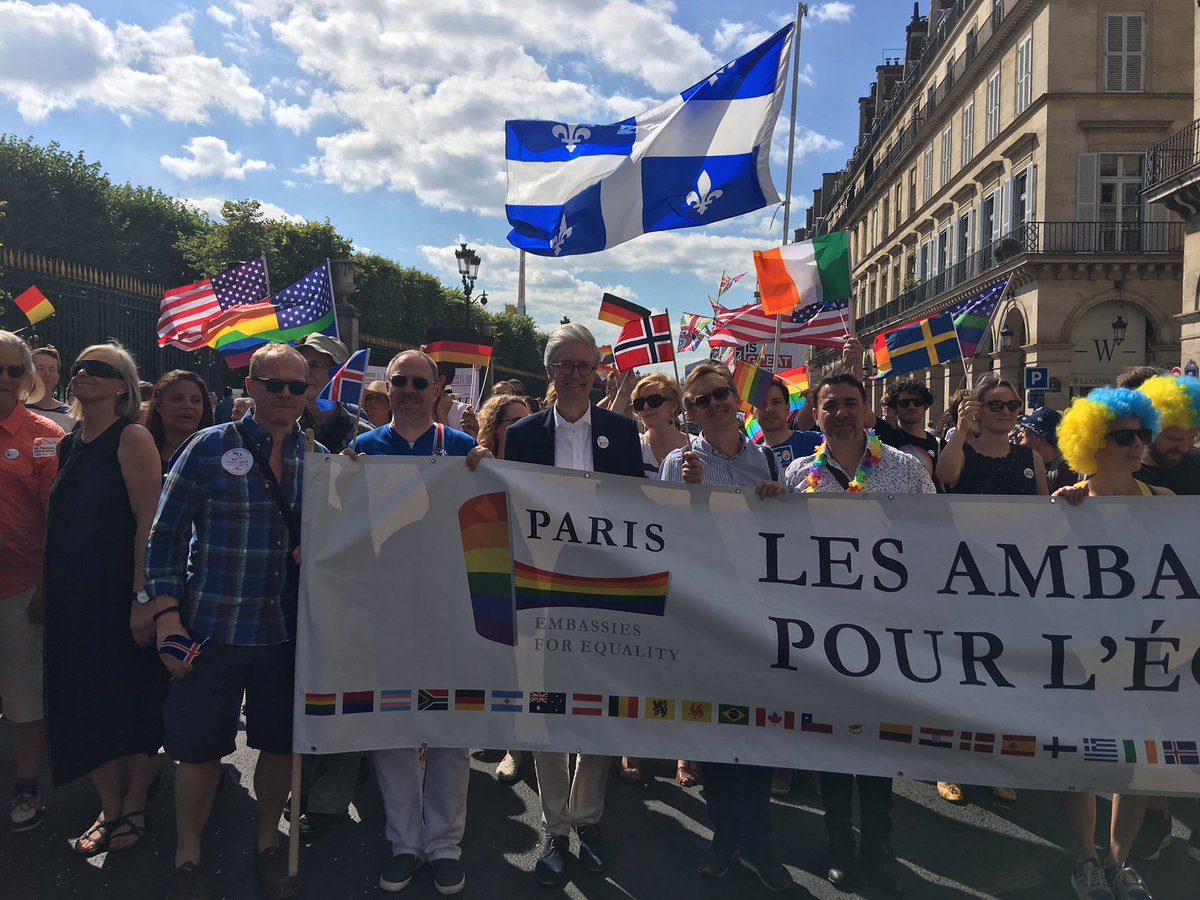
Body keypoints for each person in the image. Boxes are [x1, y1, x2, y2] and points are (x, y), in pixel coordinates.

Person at [145, 342, 323, 900]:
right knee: (198, 751)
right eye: (276, 385)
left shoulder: (318, 456)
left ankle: (268, 842)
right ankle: (188, 857)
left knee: (278, 745)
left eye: (298, 387)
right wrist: (167, 617)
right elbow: (164, 537)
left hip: (285, 633)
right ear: (252, 385)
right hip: (211, 629)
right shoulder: (208, 446)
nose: (288, 396)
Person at [500, 322, 643, 887]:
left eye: (585, 366)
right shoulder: (526, 434)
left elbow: (637, 512)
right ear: (550, 372)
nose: (576, 375)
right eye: (565, 365)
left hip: (605, 590)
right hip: (541, 587)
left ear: (597, 370)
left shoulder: (622, 432)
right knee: (544, 704)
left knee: (599, 707)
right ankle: (555, 826)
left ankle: (588, 818)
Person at [783, 372, 934, 895]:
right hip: (822, 630)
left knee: (877, 741)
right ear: (816, 413)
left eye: (851, 404)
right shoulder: (798, 473)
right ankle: (837, 841)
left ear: (868, 411)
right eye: (831, 405)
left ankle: (879, 842)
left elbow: (937, 537)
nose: (841, 413)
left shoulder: (906, 469)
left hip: (884, 628)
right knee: (831, 741)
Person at [348, 350, 477, 896]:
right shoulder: (360, 451)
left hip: (452, 608)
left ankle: (445, 844)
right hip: (387, 609)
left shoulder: (465, 450)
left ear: (437, 388)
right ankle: (405, 841)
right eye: (397, 381)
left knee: (451, 729)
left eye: (418, 382)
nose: (407, 389)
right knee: (393, 727)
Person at [658, 362, 792, 892]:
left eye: (718, 395)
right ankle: (723, 836)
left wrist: (780, 504)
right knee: (712, 731)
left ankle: (759, 842)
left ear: (737, 400)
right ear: (688, 412)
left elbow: (790, 536)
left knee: (757, 732)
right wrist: (688, 497)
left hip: (758, 615)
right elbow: (665, 536)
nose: (711, 405)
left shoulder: (770, 459)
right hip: (706, 614)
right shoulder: (679, 461)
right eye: (699, 401)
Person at [42, 343, 166, 857]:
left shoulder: (131, 436)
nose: (83, 375)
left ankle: (135, 803)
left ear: (123, 386)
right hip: (74, 597)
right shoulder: (70, 442)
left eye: (100, 370)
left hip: (120, 595)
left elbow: (147, 521)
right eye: (80, 368)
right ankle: (109, 807)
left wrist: (142, 597)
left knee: (135, 704)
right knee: (82, 702)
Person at [1052, 386, 1168, 900]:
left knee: (1139, 759)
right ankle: (1086, 856)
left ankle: (1120, 862)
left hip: (1149, 650)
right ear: (1092, 443)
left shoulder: (1164, 503)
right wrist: (1060, 513)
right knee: (1084, 757)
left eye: (1142, 435)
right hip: (1083, 650)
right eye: (1124, 437)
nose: (1138, 445)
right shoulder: (1067, 504)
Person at [0, 331, 63, 832]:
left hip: (20, 588)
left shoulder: (46, 437)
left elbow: (60, 527)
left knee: (23, 697)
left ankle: (26, 784)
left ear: (26, 379)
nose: (3, 379)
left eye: (12, 370)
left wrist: (45, 589)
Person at [623, 372, 699, 787]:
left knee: (681, 661)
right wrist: (620, 390)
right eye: (640, 404)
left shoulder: (696, 450)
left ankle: (683, 753)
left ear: (674, 405)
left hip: (685, 564)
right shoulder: (629, 448)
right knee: (636, 659)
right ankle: (629, 746)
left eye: (654, 401)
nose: (647, 409)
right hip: (638, 562)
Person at [936, 376, 1047, 496]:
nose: (1005, 412)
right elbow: (944, 476)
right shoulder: (962, 454)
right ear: (977, 412)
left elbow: (1045, 507)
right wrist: (962, 428)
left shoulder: (1032, 458)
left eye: (1012, 405)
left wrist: (1065, 495)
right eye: (996, 405)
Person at [295, 333, 371, 453]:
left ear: (338, 373)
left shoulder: (363, 435)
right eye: (303, 365)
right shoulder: (288, 429)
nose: (306, 372)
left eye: (314, 365)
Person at [1132, 374, 1200, 496]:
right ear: (1149, 430)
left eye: (1192, 438)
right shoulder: (1124, 469)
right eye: (1174, 439)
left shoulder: (1197, 461)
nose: (1184, 448)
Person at [869, 379, 941, 483]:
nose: (911, 406)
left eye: (917, 402)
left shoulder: (939, 445)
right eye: (904, 403)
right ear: (894, 408)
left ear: (925, 406)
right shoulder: (887, 433)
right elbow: (862, 411)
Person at [147, 370, 215, 473]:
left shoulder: (219, 455)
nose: (188, 406)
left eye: (195, 400)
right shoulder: (140, 453)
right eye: (177, 399)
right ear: (157, 405)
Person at [753, 377, 822, 472]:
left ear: (787, 408)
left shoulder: (816, 441)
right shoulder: (750, 458)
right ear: (753, 412)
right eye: (762, 403)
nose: (769, 409)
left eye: (776, 402)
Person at [1016, 407, 1076, 491]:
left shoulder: (1067, 470)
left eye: (1026, 427)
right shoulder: (1023, 462)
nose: (1021, 430)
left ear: (1039, 435)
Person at [27, 345, 74, 431]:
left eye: (52, 369)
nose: (47, 374)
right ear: (29, 373)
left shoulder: (70, 416)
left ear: (58, 377)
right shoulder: (15, 409)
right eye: (40, 368)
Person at [432, 362, 478, 437]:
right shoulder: (411, 408)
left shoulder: (464, 413)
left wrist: (442, 416)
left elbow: (455, 447)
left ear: (441, 380)